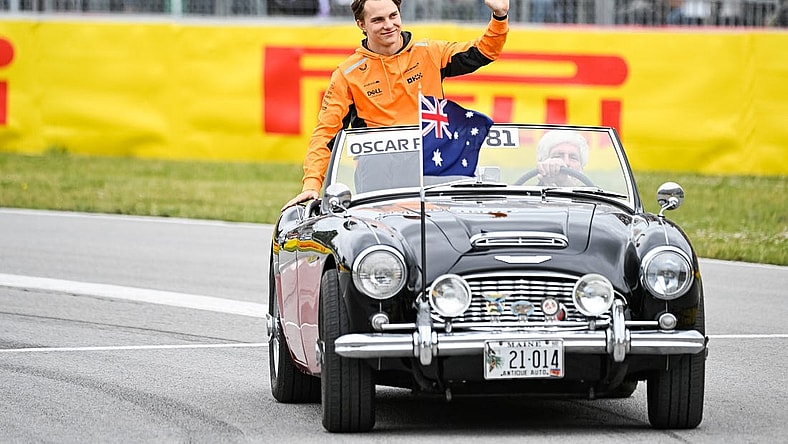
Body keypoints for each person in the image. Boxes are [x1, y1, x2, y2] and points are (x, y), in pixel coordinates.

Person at [282, 0, 510, 209]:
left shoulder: (430, 52)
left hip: (432, 163)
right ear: (361, 24)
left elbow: (483, 51)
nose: (389, 25)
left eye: (393, 16)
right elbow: (326, 134)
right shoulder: (347, 74)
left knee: (443, 233)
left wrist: (499, 17)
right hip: (379, 173)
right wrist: (311, 185)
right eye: (378, 20)